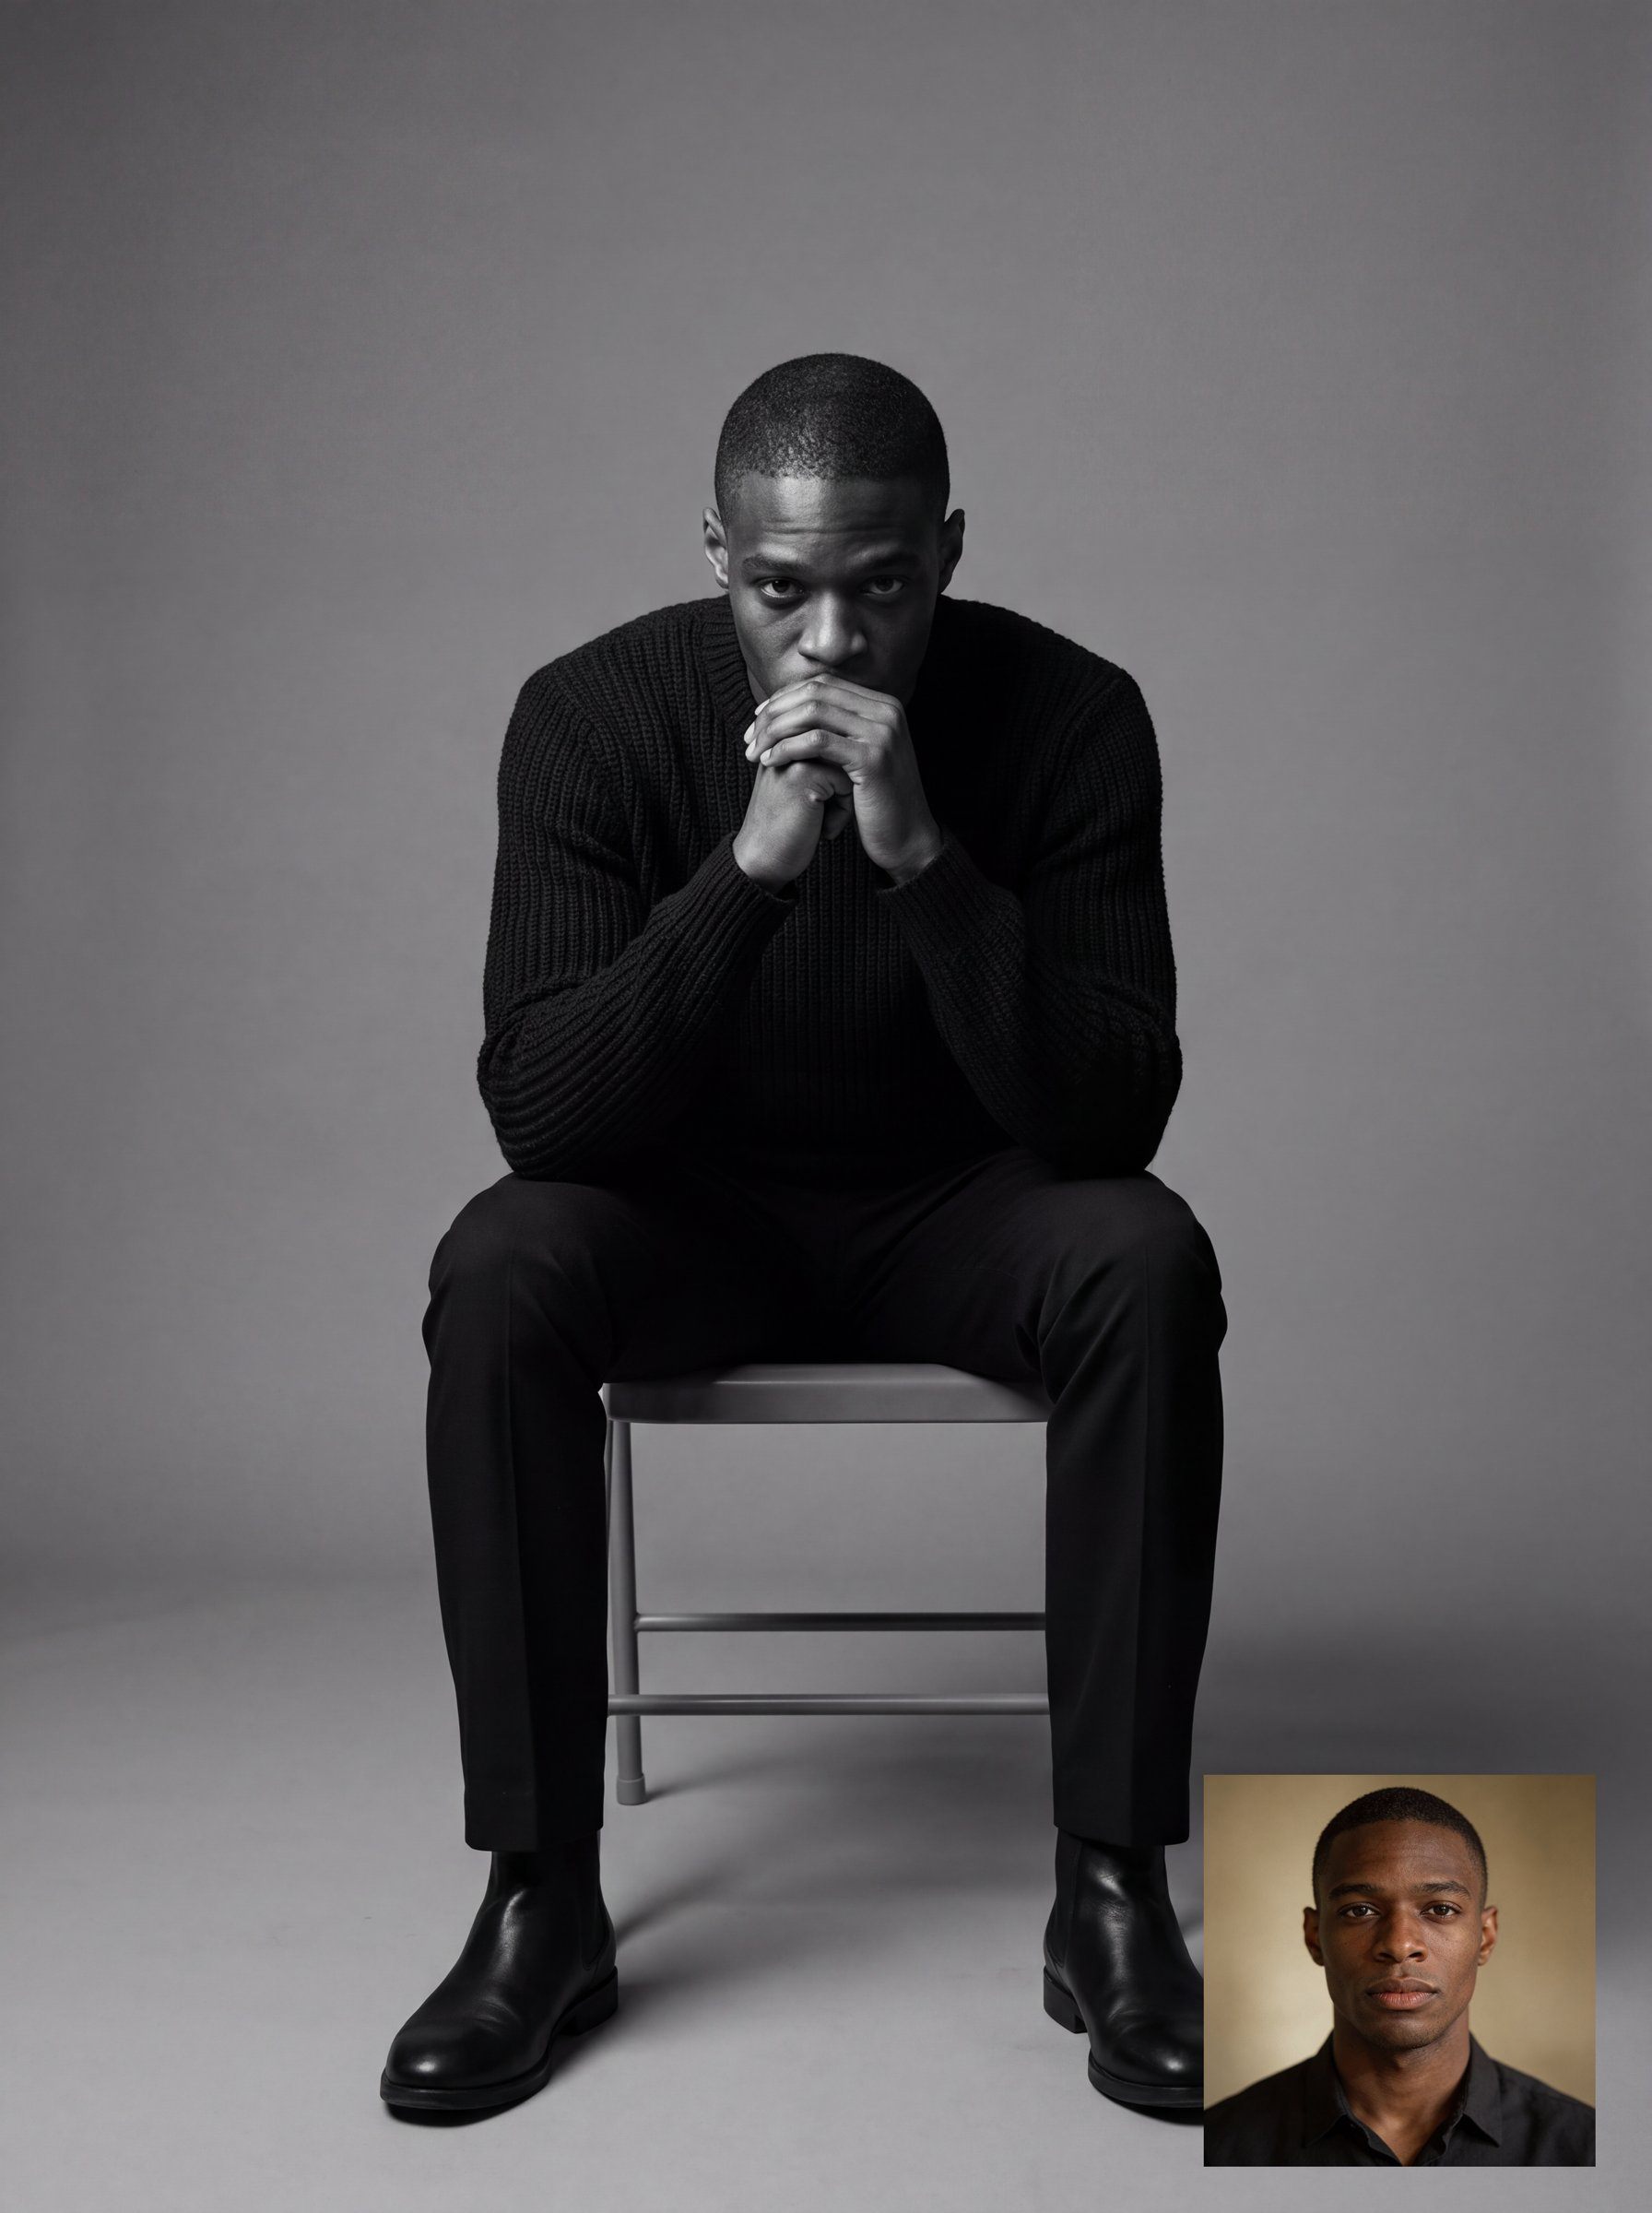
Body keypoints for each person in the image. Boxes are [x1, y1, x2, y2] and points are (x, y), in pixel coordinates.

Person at [379, 353, 1227, 2118]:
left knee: (1146, 1255)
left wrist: (923, 863)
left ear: (949, 553)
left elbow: (1108, 1115)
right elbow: (542, 1117)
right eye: (781, 592)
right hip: (695, 1213)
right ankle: (540, 1900)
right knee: (500, 1259)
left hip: (961, 1208)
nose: (830, 643)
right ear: (716, 557)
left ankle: (1110, 1891)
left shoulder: (1072, 718)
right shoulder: (592, 718)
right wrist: (748, 876)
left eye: (882, 586)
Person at [1203, 1785, 1596, 2166]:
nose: (1400, 1944)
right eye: (1360, 1911)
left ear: (1485, 1937)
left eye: (1440, 1909)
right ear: (1315, 1937)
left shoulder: (1586, 2150)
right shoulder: (1217, 2148)